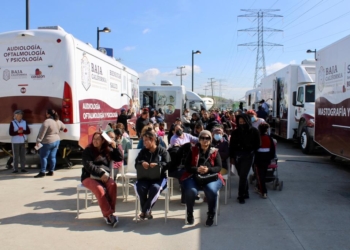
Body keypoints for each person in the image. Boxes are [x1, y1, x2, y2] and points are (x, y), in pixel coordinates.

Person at [182, 130, 224, 226]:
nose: (205, 140)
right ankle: (189, 213)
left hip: (210, 177)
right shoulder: (193, 150)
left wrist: (208, 169)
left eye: (207, 138)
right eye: (202, 138)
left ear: (210, 140)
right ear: (199, 139)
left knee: (211, 190)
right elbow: (187, 166)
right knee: (190, 191)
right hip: (194, 176)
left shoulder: (215, 151)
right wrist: (197, 169)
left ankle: (211, 213)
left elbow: (218, 167)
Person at [81, 132, 123, 227]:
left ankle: (109, 214)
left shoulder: (107, 149)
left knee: (112, 185)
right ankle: (109, 215)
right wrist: (101, 173)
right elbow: (88, 165)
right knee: (100, 189)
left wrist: (115, 147)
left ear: (103, 140)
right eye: (94, 139)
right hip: (89, 176)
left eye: (98, 139)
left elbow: (119, 158)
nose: (95, 141)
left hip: (104, 176)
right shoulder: (88, 150)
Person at [135, 131, 170, 220]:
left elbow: (168, 164)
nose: (144, 143)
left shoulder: (162, 151)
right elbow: (136, 163)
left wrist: (158, 165)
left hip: (159, 178)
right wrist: (142, 163)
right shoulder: (143, 151)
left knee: (155, 188)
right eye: (143, 141)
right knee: (139, 187)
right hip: (145, 177)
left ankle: (144, 211)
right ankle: (146, 211)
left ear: (152, 140)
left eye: (146, 140)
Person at [229, 113, 261, 204]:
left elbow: (258, 144)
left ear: (247, 121)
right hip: (237, 157)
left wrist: (251, 150)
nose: (242, 124)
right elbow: (231, 146)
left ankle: (241, 195)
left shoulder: (254, 131)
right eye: (240, 122)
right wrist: (232, 157)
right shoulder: (235, 132)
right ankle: (246, 192)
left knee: (243, 176)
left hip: (248, 156)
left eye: (244, 122)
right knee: (242, 176)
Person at [34, 109, 66, 178]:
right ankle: (51, 171)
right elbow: (64, 128)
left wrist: (38, 141)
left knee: (43, 157)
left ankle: (42, 172)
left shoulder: (47, 122)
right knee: (52, 157)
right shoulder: (58, 121)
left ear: (48, 114)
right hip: (57, 140)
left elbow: (42, 133)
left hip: (47, 141)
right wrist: (59, 131)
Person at [254, 123, 275, 199]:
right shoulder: (269, 138)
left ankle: (264, 191)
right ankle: (258, 187)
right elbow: (272, 149)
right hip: (267, 159)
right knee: (263, 175)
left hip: (258, 159)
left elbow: (255, 149)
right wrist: (271, 158)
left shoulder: (257, 138)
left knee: (260, 176)